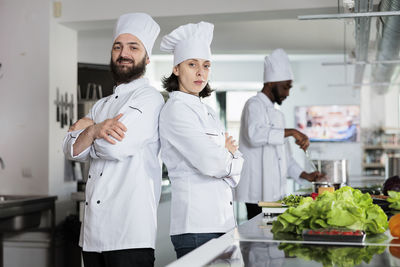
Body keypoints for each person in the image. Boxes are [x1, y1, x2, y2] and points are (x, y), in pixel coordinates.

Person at [63, 13, 163, 267]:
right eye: (117, 47)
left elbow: (116, 147)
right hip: (93, 236)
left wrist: (89, 134)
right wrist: (96, 130)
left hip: (130, 236)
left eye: (133, 47)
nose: (123, 53)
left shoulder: (150, 99)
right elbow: (70, 149)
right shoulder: (102, 105)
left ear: (146, 57)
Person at [159, 21, 244, 258]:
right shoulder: (176, 110)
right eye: (192, 64)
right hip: (196, 227)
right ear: (176, 69)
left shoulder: (207, 112)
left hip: (223, 224)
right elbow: (211, 163)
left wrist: (226, 157)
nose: (200, 72)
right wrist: (227, 156)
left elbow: (230, 168)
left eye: (206, 65)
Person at [235, 48, 323, 220]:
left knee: (272, 236)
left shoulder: (278, 115)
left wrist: (306, 175)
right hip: (257, 193)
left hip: (275, 192)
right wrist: (292, 132)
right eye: (285, 87)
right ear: (270, 83)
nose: (287, 93)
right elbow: (255, 135)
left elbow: (285, 158)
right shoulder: (253, 105)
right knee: (259, 238)